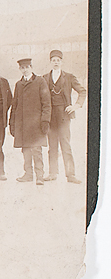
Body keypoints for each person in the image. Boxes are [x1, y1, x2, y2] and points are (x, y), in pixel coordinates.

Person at [43, 50, 86, 184]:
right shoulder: (45, 78)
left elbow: (82, 91)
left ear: (61, 62)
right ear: (50, 62)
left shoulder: (69, 77)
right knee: (52, 146)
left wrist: (76, 106)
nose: (56, 62)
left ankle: (70, 174)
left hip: (64, 116)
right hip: (51, 117)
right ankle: (52, 173)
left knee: (65, 145)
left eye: (58, 60)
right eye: (53, 60)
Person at [10, 58, 52, 186]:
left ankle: (40, 176)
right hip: (22, 124)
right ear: (20, 69)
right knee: (25, 150)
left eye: (27, 67)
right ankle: (28, 174)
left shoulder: (40, 81)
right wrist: (12, 123)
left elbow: (46, 103)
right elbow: (14, 104)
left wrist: (45, 121)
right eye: (22, 68)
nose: (25, 69)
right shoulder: (18, 84)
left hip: (36, 124)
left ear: (31, 67)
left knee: (36, 150)